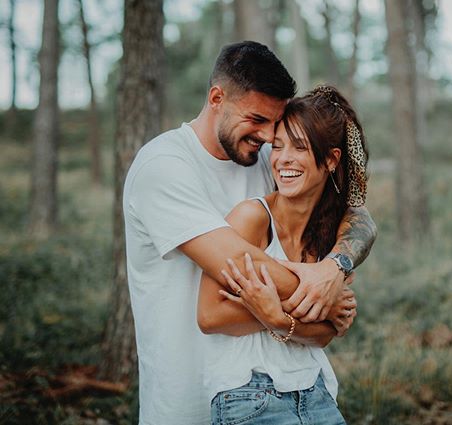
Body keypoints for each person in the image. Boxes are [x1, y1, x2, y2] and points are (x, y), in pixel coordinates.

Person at [123, 41, 376, 424]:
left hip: (274, 386)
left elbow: (359, 217)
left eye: (273, 124)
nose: (266, 135)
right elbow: (235, 263)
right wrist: (324, 297)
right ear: (217, 98)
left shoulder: (263, 159)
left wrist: (334, 268)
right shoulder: (163, 166)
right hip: (183, 401)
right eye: (257, 119)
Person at [197, 86, 368, 424]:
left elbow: (327, 333)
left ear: (331, 159)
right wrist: (309, 309)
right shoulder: (252, 218)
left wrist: (276, 316)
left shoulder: (334, 239)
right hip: (249, 393)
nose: (282, 158)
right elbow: (210, 315)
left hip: (316, 390)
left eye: (299, 147)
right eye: (277, 146)